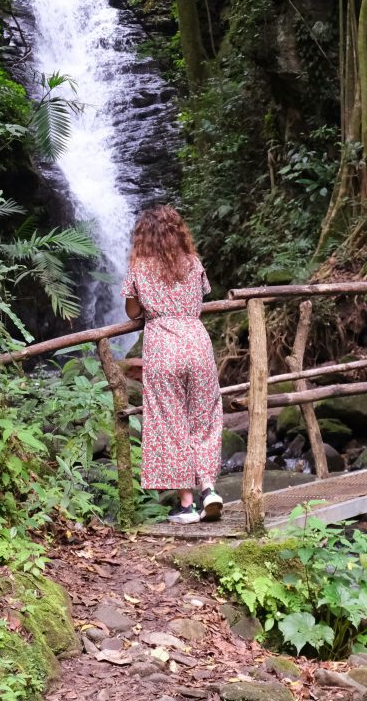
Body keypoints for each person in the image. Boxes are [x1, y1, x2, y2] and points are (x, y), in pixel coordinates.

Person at [121, 205, 223, 524]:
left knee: (170, 422)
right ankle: (209, 488)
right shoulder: (193, 262)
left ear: (144, 237)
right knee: (205, 417)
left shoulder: (140, 267)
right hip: (197, 342)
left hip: (163, 345)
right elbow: (201, 298)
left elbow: (132, 311)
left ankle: (187, 505)